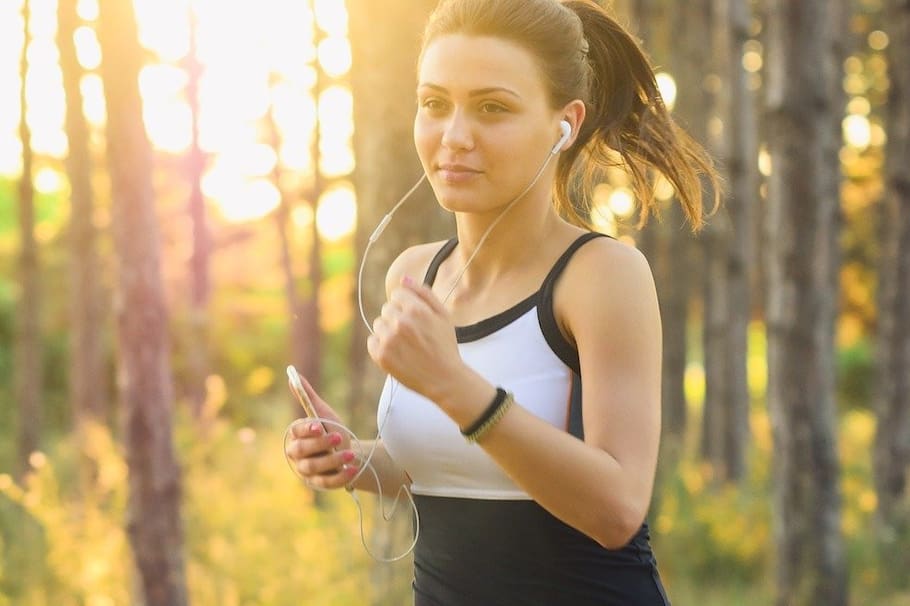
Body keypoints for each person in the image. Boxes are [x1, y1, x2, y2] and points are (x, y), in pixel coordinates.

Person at [285, 0, 718, 604]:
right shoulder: (416, 275)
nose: (454, 136)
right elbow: (455, 469)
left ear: (563, 123)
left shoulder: (601, 275)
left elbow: (617, 508)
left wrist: (455, 387)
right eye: (435, 104)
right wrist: (352, 459)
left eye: (493, 107)